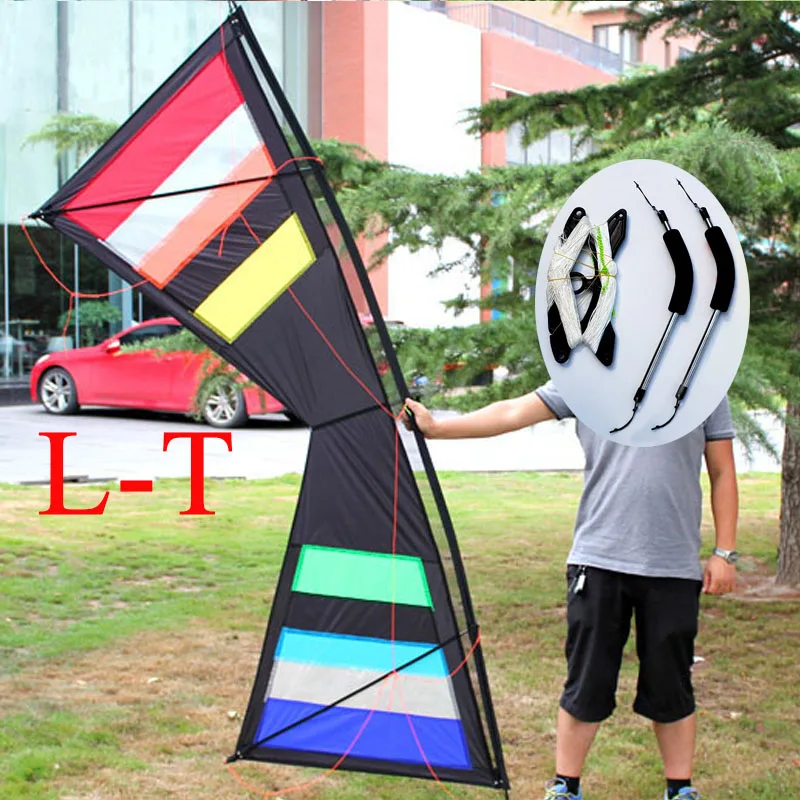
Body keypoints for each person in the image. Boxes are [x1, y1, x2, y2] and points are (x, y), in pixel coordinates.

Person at [404, 382, 738, 800]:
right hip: (598, 561)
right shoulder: (590, 371)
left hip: (672, 565)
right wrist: (437, 428)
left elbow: (723, 471)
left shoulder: (704, 377)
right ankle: (566, 787)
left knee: (672, 685)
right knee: (587, 682)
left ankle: (680, 789)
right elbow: (512, 412)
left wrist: (725, 551)